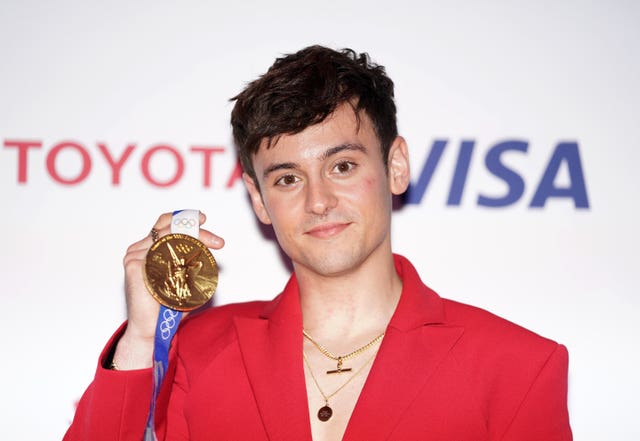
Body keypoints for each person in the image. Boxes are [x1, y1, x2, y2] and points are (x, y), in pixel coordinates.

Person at [64, 45, 572, 441]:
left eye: (342, 166)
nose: (319, 201)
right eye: (287, 179)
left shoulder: (518, 365)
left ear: (395, 166)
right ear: (259, 200)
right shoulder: (197, 350)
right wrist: (142, 338)